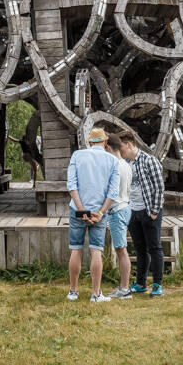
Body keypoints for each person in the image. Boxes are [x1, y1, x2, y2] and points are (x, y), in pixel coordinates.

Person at [65, 127, 120, 303]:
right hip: (98, 213)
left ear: (89, 142)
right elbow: (113, 192)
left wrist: (81, 210)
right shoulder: (113, 160)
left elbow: (71, 185)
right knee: (96, 250)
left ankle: (73, 292)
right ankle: (95, 294)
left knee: (76, 249)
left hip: (77, 210)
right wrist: (101, 213)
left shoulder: (77, 156)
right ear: (105, 142)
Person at [118, 132, 166, 297]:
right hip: (132, 211)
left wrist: (154, 211)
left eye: (122, 147)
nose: (120, 151)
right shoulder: (125, 163)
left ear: (129, 145)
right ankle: (140, 283)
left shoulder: (149, 160)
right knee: (139, 249)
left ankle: (157, 285)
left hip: (149, 211)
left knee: (154, 247)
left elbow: (159, 188)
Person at [103, 132, 134, 299]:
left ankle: (124, 288)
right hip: (125, 206)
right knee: (121, 249)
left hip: (117, 210)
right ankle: (124, 287)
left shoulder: (114, 166)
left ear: (108, 147)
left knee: (121, 250)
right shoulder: (126, 165)